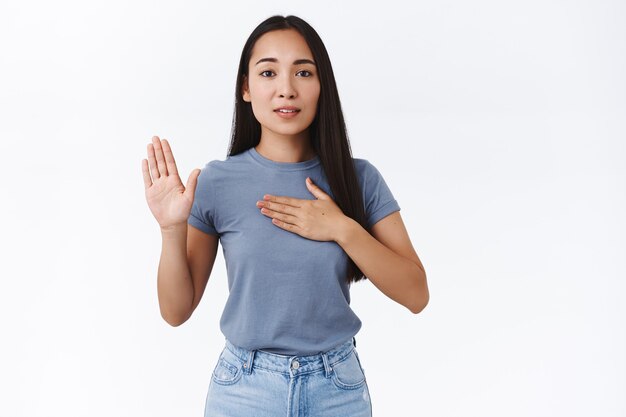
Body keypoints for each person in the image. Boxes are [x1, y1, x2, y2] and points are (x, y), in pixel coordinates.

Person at [141, 14, 429, 417]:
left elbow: (416, 294)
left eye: (303, 72)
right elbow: (176, 311)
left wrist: (342, 228)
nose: (286, 90)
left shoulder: (359, 179)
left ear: (321, 85)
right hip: (244, 390)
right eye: (268, 72)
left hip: (337, 390)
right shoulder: (217, 182)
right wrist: (172, 229)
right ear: (246, 87)